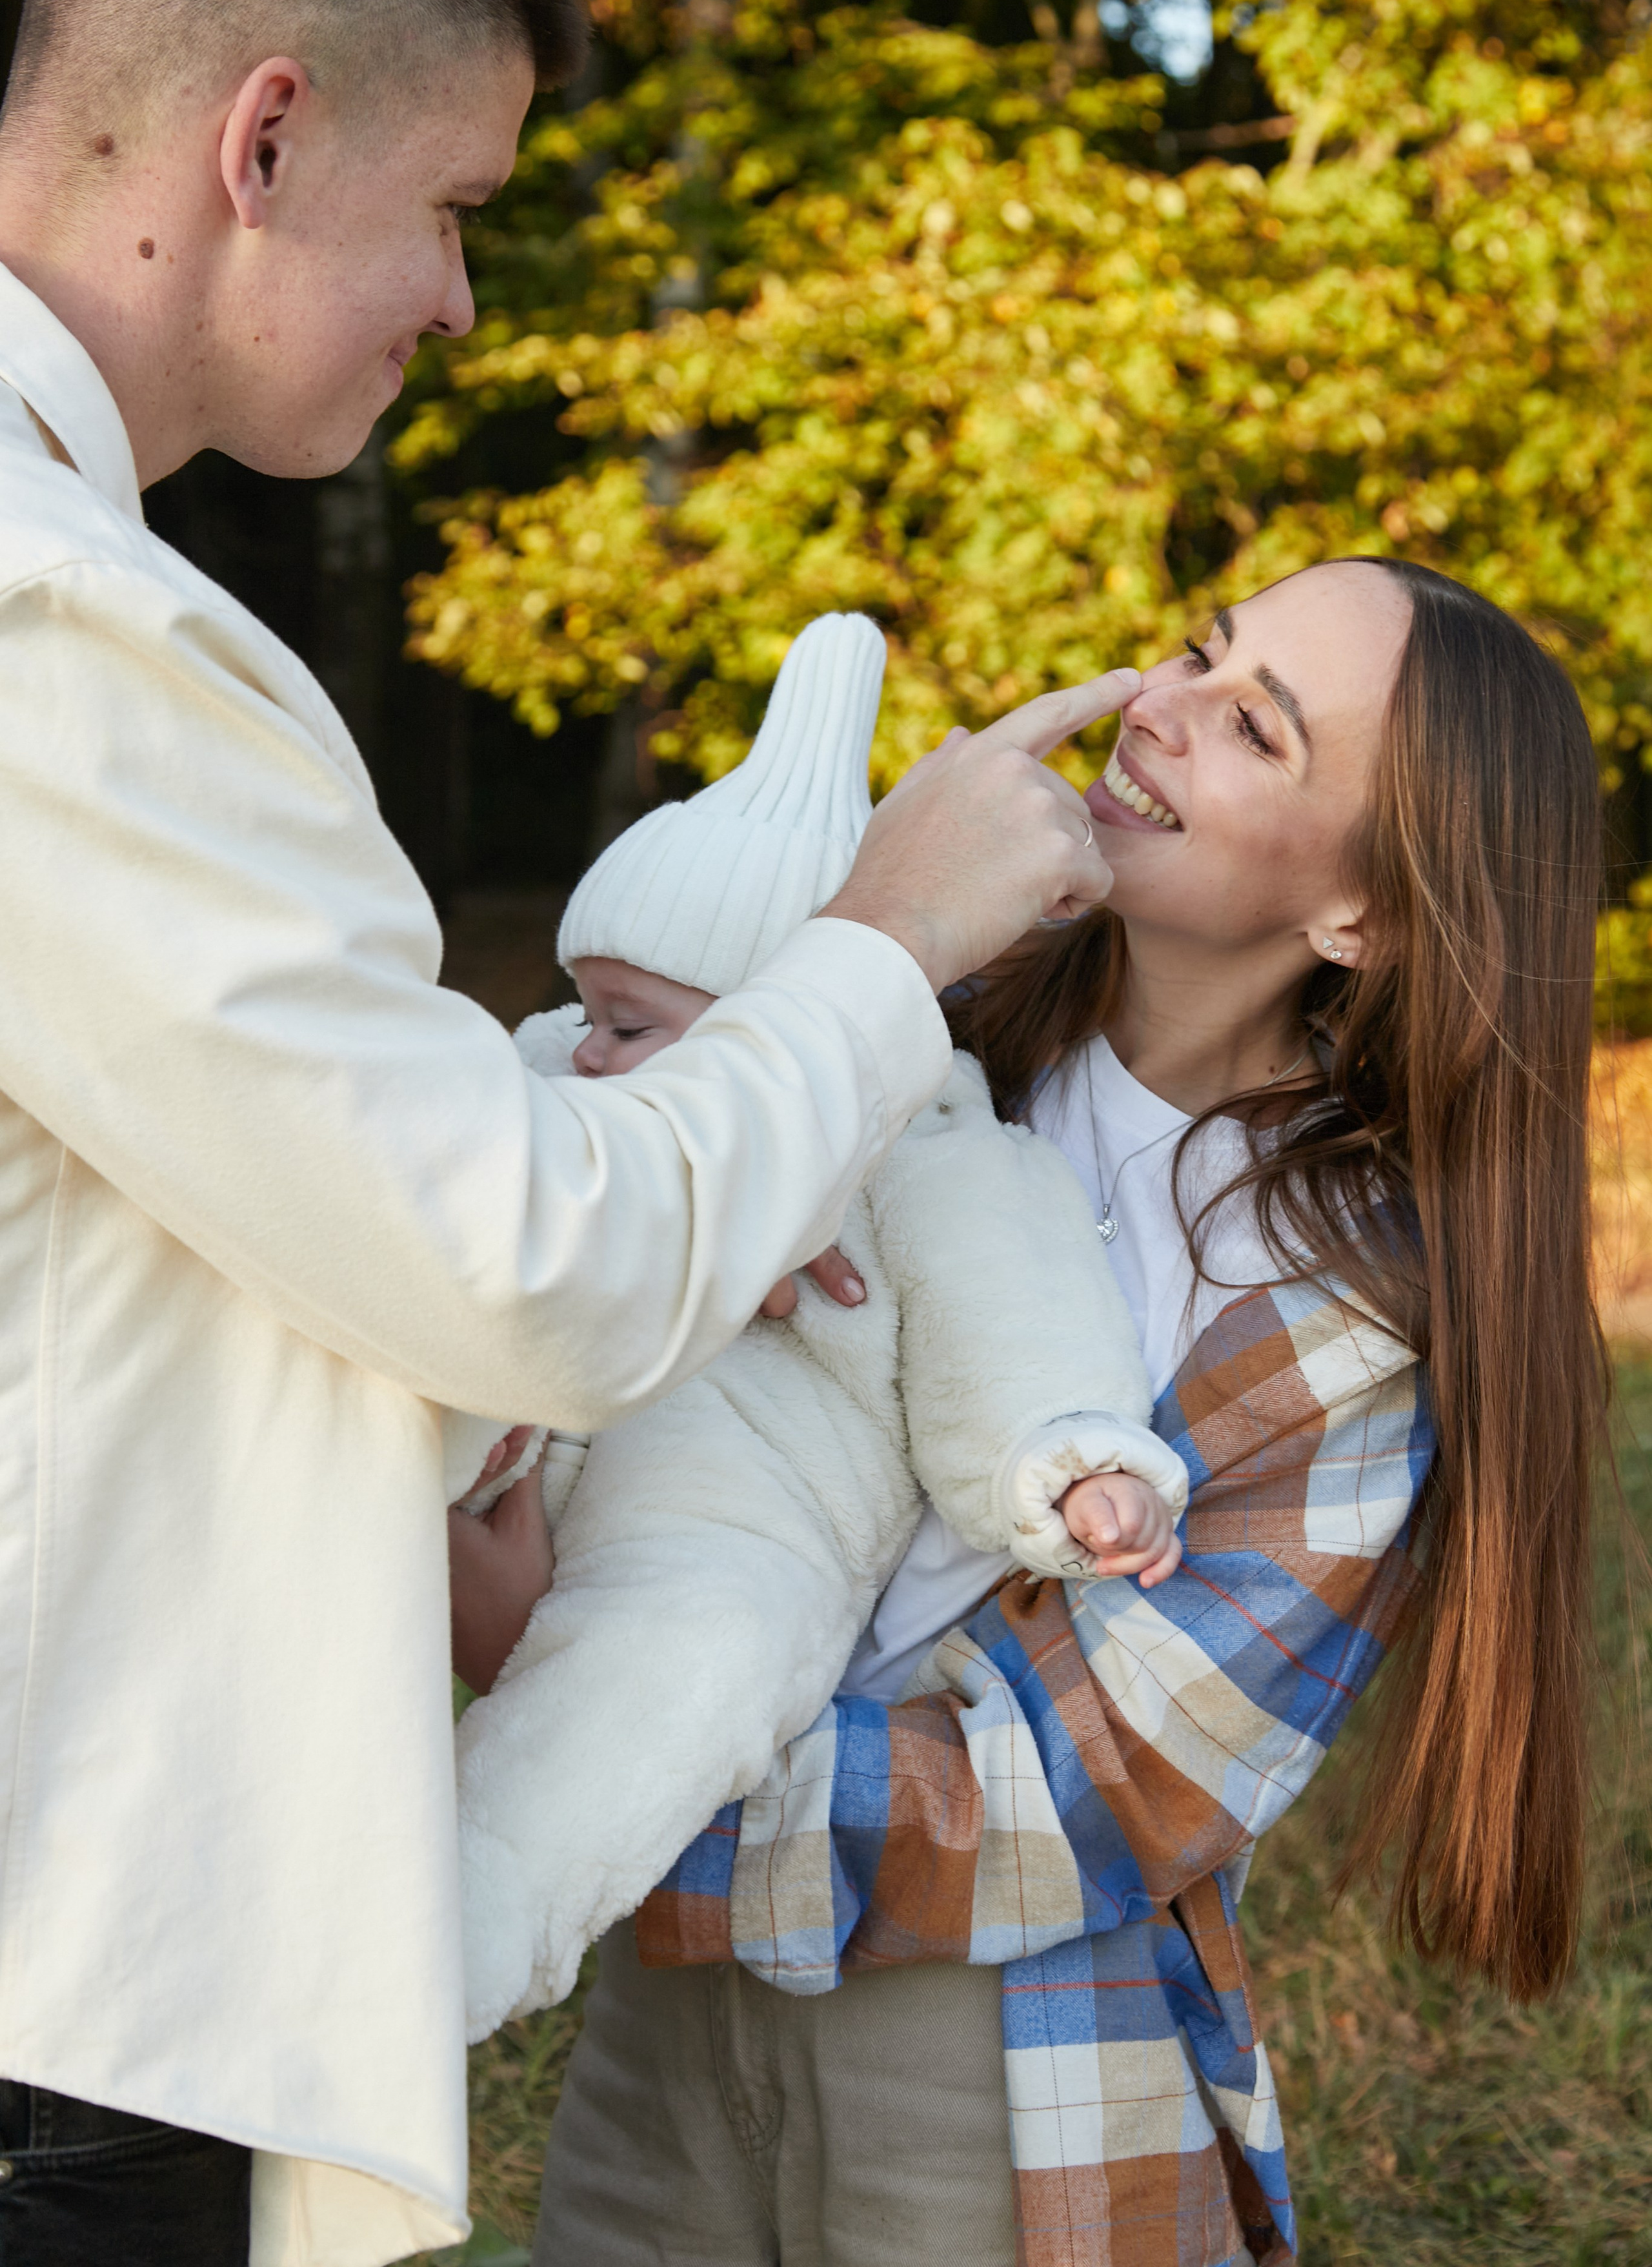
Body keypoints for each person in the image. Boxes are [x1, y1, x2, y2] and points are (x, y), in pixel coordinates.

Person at [0, 0, 1128, 2262]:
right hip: (56, 2003)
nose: (464, 308)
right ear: (265, 137)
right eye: (464, 211)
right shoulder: (60, 638)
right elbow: (522, 1259)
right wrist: (874, 953)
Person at [459, 558, 1607, 2267]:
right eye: (1201, 651)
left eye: (1252, 726)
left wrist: (556, 1690)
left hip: (1003, 2086)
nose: (1157, 705)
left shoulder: (1355, 1328)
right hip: (661, 2048)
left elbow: (1092, 1794)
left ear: (1362, 913)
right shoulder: (894, 1042)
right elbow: (543, 1165)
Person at [452, 613, 1186, 2042]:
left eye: (630, 1027)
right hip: (519, 1418)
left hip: (736, 1516)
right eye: (585, 1012)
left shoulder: (929, 1151)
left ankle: (462, 1924)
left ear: (783, 1034)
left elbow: (1015, 1311)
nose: (585, 1050)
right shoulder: (564, 1071)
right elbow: (428, 1155)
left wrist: (1072, 1459)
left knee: (681, 1673)